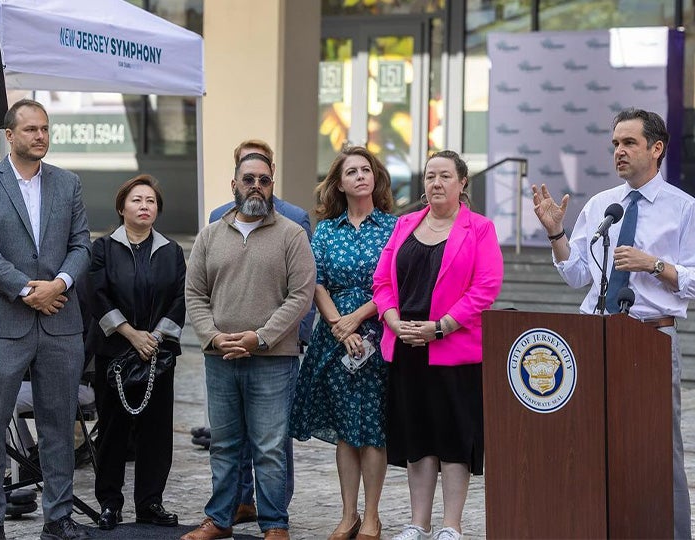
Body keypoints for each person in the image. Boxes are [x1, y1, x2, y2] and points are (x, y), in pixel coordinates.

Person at [531, 108, 695, 539]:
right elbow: (578, 275)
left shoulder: (684, 208)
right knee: (592, 441)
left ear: (656, 149)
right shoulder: (603, 205)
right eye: (615, 145)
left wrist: (654, 264)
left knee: (659, 447)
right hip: (596, 337)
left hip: (651, 339)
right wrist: (555, 235)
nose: (619, 152)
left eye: (629, 143)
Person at [0, 98, 92, 540]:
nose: (40, 136)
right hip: (2, 322)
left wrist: (57, 285)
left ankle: (58, 519)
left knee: (59, 425)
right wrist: (28, 290)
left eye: (45, 128)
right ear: (9, 135)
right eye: (31, 130)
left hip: (61, 320)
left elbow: (82, 245)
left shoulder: (68, 184)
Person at [184, 151, 315, 540]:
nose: (256, 185)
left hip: (273, 359)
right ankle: (220, 519)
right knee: (224, 444)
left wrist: (260, 337)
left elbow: (301, 295)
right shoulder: (210, 235)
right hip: (220, 356)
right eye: (248, 179)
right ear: (234, 185)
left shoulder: (291, 234)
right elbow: (194, 293)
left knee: (271, 447)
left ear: (272, 186)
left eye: (263, 180)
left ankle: (275, 524)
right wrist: (212, 335)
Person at [372, 150, 503, 540]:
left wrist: (441, 327)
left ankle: (451, 525)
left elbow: (486, 287)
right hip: (407, 346)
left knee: (453, 439)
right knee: (418, 438)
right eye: (430, 176)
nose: (436, 184)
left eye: (445, 176)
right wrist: (393, 321)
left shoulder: (479, 228)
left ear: (462, 183)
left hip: (454, 349)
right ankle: (418, 522)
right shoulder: (405, 225)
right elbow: (382, 282)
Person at [289, 146, 396, 540]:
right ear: (339, 183)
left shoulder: (392, 227)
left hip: (376, 332)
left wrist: (357, 319)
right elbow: (313, 281)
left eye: (366, 170)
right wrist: (338, 324)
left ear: (375, 177)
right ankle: (348, 514)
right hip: (334, 338)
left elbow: (394, 284)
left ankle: (372, 516)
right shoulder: (327, 230)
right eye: (352, 172)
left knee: (370, 428)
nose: (360, 176)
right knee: (344, 429)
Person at [86, 174, 185, 531]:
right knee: (112, 433)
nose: (144, 207)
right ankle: (110, 504)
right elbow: (97, 296)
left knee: (156, 434)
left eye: (151, 202)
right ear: (121, 207)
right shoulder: (102, 249)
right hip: (114, 354)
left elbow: (178, 300)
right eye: (137, 200)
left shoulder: (171, 251)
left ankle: (150, 503)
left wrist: (153, 338)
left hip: (158, 356)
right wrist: (131, 335)